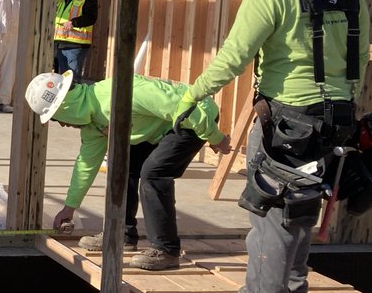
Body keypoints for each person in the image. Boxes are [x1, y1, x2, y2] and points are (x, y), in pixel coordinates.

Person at [175, 0, 370, 293]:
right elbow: (361, 53)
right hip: (336, 119)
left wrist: (193, 95)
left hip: (287, 121)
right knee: (302, 209)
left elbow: (234, 56)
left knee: (270, 213)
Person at [25, 69, 231, 271]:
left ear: (65, 107)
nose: (60, 124)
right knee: (122, 165)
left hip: (194, 117)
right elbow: (85, 165)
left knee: (154, 173)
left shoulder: (121, 93)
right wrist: (69, 207)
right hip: (161, 127)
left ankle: (166, 249)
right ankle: (121, 234)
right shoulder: (93, 124)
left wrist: (215, 138)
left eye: (55, 117)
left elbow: (184, 109)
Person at [53, 0, 98, 83]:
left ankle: (74, 101)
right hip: (60, 44)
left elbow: (91, 18)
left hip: (75, 46)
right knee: (61, 80)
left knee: (72, 81)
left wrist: (74, 23)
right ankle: (64, 101)